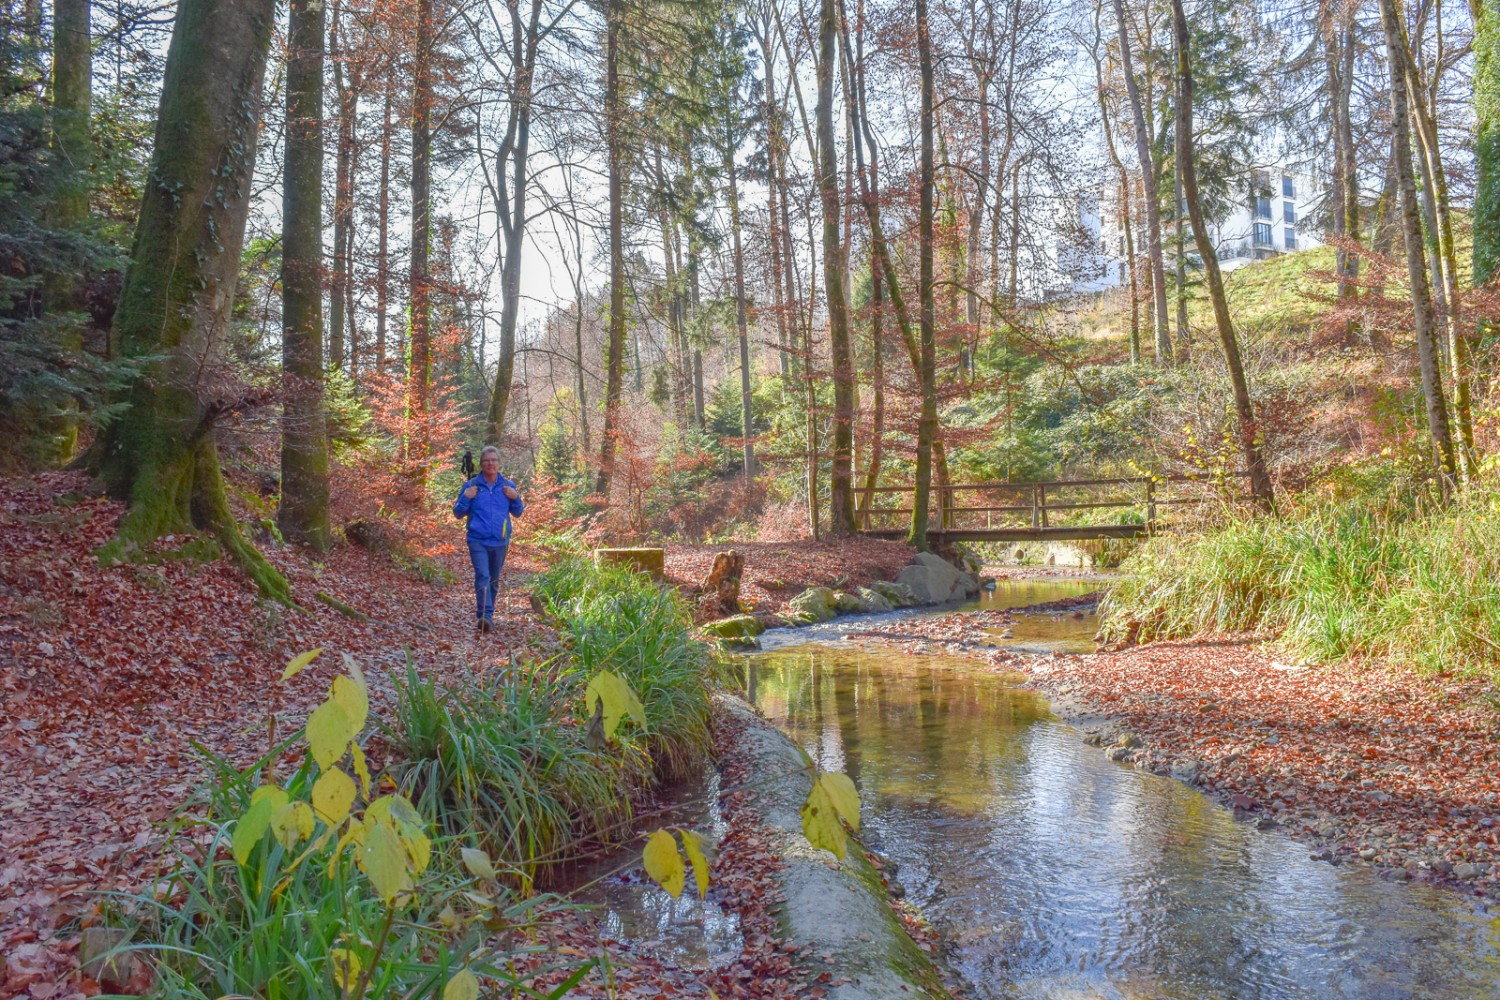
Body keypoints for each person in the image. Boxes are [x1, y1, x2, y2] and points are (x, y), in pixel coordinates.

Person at [452, 446, 524, 632]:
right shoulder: (471, 486)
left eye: (493, 460)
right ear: (482, 464)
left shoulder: (508, 486)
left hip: (500, 541)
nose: (490, 463)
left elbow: (518, 512)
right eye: (486, 461)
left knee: (493, 579)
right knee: (483, 576)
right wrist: (466, 498)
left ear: (498, 463)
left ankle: (488, 615)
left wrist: (515, 498)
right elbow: (458, 513)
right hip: (477, 540)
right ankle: (485, 615)